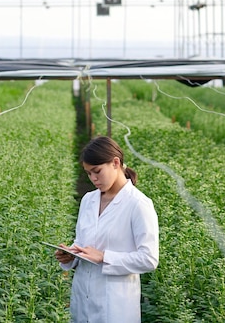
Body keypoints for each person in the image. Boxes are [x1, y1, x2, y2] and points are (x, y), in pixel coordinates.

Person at [55, 135, 159, 323]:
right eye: (88, 173)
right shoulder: (88, 200)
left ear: (115, 163)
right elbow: (82, 242)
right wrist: (71, 254)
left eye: (97, 171)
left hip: (116, 306)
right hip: (82, 298)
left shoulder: (138, 204)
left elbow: (149, 259)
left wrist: (104, 257)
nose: (93, 178)